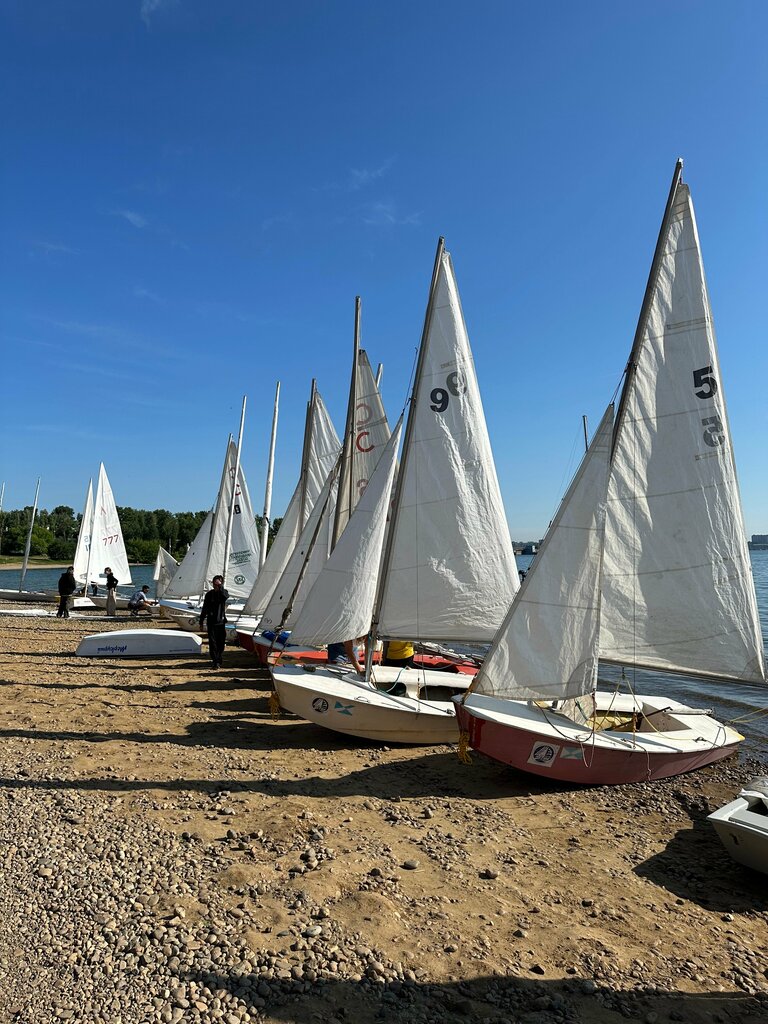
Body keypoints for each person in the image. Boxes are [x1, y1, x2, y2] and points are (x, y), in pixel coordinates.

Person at [199, 574, 228, 668]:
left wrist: (220, 586)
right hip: (211, 622)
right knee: (212, 643)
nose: (215, 585)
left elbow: (225, 596)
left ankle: (219, 657)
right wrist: (201, 621)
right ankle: (215, 662)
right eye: (214, 583)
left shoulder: (223, 593)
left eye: (217, 584)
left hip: (221, 622)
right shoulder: (209, 594)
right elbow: (204, 608)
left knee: (221, 643)